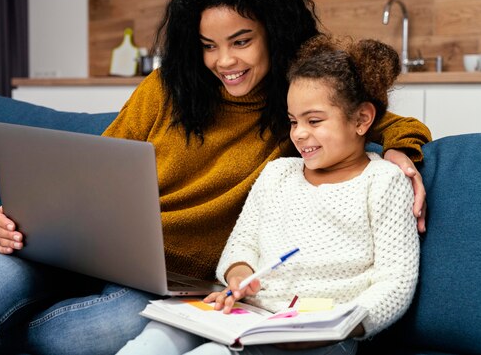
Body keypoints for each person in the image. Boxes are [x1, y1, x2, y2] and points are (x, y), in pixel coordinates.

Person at [0, 0, 430, 355]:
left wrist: (402, 151)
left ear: (275, 32)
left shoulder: (295, 107)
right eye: (208, 45)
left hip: (169, 281)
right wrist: (17, 218)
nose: (224, 61)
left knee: (82, 339)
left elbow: (376, 116)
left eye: (241, 40)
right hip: (78, 248)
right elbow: (87, 174)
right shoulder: (167, 87)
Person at [116, 35, 420, 355]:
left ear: (361, 120)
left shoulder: (383, 181)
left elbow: (395, 284)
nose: (300, 133)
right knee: (157, 336)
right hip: (252, 316)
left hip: (323, 335)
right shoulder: (278, 174)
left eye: (314, 121)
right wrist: (239, 276)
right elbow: (242, 244)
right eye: (293, 121)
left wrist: (339, 325)